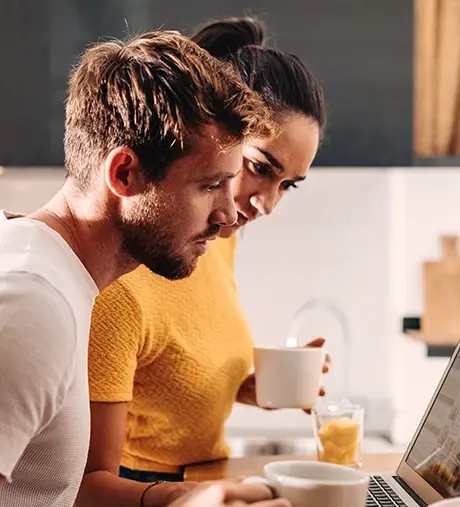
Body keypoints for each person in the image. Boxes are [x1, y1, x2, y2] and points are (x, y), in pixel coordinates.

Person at [0, 29, 273, 507]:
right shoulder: (33, 306)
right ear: (125, 173)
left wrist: (182, 498)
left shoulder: (59, 278)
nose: (230, 216)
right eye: (210, 186)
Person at [82, 16, 327, 507]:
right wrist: (190, 497)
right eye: (261, 169)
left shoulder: (216, 241)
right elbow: (84, 486)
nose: (267, 205)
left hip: (203, 480)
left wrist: (250, 387)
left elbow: (166, 372)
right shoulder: (124, 282)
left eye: (288, 185)